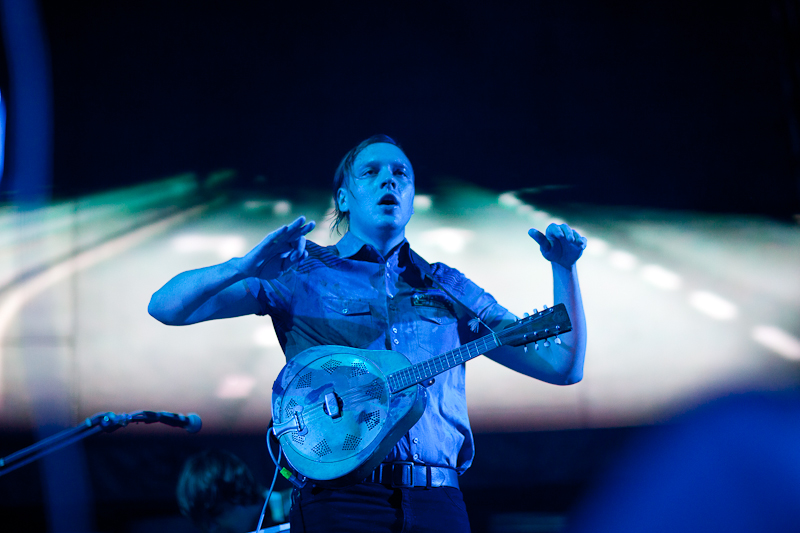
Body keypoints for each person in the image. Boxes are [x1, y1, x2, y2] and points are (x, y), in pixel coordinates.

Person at [149, 134, 587, 532]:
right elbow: (166, 308)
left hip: (439, 501)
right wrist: (240, 268)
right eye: (371, 172)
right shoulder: (300, 273)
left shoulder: (449, 286)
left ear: (413, 198)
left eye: (401, 174)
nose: (389, 181)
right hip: (339, 502)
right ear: (344, 196)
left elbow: (564, 367)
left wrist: (563, 269)